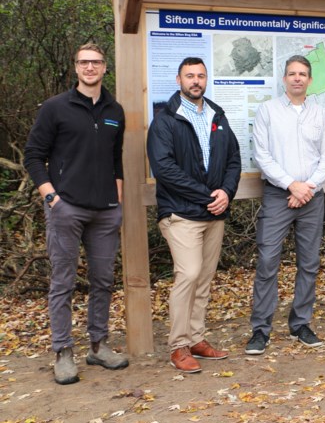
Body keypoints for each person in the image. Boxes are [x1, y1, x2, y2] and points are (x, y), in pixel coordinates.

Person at [24, 43, 128, 385]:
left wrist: (118, 199)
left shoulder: (115, 110)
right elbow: (34, 156)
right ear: (75, 67)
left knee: (103, 281)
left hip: (105, 213)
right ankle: (63, 352)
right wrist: (52, 197)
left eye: (96, 62)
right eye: (84, 62)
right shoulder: (56, 108)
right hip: (66, 208)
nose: (90, 67)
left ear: (105, 67)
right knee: (63, 282)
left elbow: (116, 159)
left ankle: (98, 345)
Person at [147, 57, 241, 373]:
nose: (196, 81)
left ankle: (197, 339)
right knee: (187, 275)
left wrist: (226, 192)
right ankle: (178, 346)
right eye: (190, 76)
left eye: (200, 75)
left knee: (203, 279)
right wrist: (207, 196)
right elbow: (164, 169)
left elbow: (233, 160)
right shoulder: (165, 120)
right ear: (179, 80)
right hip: (181, 213)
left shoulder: (218, 116)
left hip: (214, 213)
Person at [245, 56, 325, 355]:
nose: (297, 78)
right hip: (277, 195)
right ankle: (261, 330)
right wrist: (291, 185)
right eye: (292, 74)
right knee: (268, 261)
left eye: (303, 74)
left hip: (311, 197)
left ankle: (301, 324)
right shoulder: (267, 111)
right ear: (284, 79)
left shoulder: (319, 113)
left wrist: (306, 188)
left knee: (308, 263)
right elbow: (262, 155)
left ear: (310, 80)